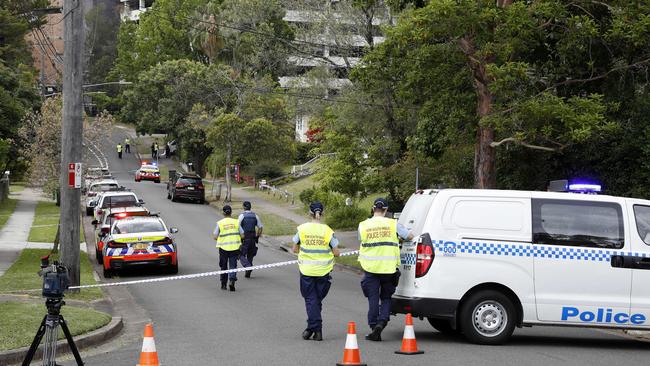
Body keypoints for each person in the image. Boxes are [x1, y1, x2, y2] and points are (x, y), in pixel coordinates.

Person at [358, 198, 413, 341]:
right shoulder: (393, 224)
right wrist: (400, 239)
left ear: (373, 208)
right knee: (386, 298)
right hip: (389, 269)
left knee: (373, 298)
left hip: (370, 268)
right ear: (386, 210)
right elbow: (409, 236)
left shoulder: (363, 225)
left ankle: (373, 326)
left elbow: (361, 240)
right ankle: (382, 323)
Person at [293, 202, 340, 341]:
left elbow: (294, 249)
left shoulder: (302, 229)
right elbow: (336, 252)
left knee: (311, 300)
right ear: (322, 213)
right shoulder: (327, 230)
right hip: (324, 272)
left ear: (309, 213)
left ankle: (315, 329)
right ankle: (312, 329)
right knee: (316, 301)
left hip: (307, 271)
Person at [213, 205, 241, 292]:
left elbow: (215, 236)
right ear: (231, 212)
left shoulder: (220, 223)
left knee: (223, 266)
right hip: (234, 248)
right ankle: (232, 280)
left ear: (223, 213)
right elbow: (243, 234)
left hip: (223, 249)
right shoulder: (236, 222)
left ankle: (224, 284)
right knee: (233, 265)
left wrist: (222, 239)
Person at [238, 201, 263, 278]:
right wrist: (257, 236)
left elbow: (237, 227)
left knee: (240, 254)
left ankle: (248, 266)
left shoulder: (242, 216)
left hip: (245, 237)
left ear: (244, 207)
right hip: (252, 237)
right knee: (250, 254)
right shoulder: (255, 216)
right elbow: (260, 227)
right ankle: (248, 270)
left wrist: (239, 237)